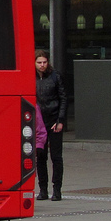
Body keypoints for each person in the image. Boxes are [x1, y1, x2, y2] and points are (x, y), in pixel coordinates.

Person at [35, 51, 66, 200]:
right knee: (40, 156)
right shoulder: (31, 77)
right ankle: (43, 189)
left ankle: (57, 189)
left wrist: (60, 120)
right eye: (39, 62)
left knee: (56, 156)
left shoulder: (55, 76)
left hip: (54, 119)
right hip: (39, 122)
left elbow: (63, 98)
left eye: (44, 62)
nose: (42, 65)